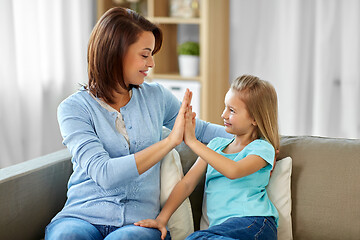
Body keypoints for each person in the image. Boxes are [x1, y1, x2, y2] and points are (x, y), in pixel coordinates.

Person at [44, 7, 231, 240]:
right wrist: (170, 142)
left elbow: (201, 130)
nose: (152, 63)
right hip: (81, 216)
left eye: (152, 54)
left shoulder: (156, 97)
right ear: (115, 53)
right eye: (145, 55)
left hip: (139, 223)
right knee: (67, 236)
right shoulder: (73, 109)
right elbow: (104, 173)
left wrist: (258, 139)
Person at [135, 75, 280, 240]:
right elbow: (187, 184)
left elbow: (234, 170)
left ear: (255, 118)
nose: (223, 115)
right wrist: (161, 219)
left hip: (253, 223)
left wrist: (193, 142)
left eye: (232, 110)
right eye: (225, 107)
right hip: (220, 231)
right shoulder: (216, 145)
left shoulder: (261, 148)